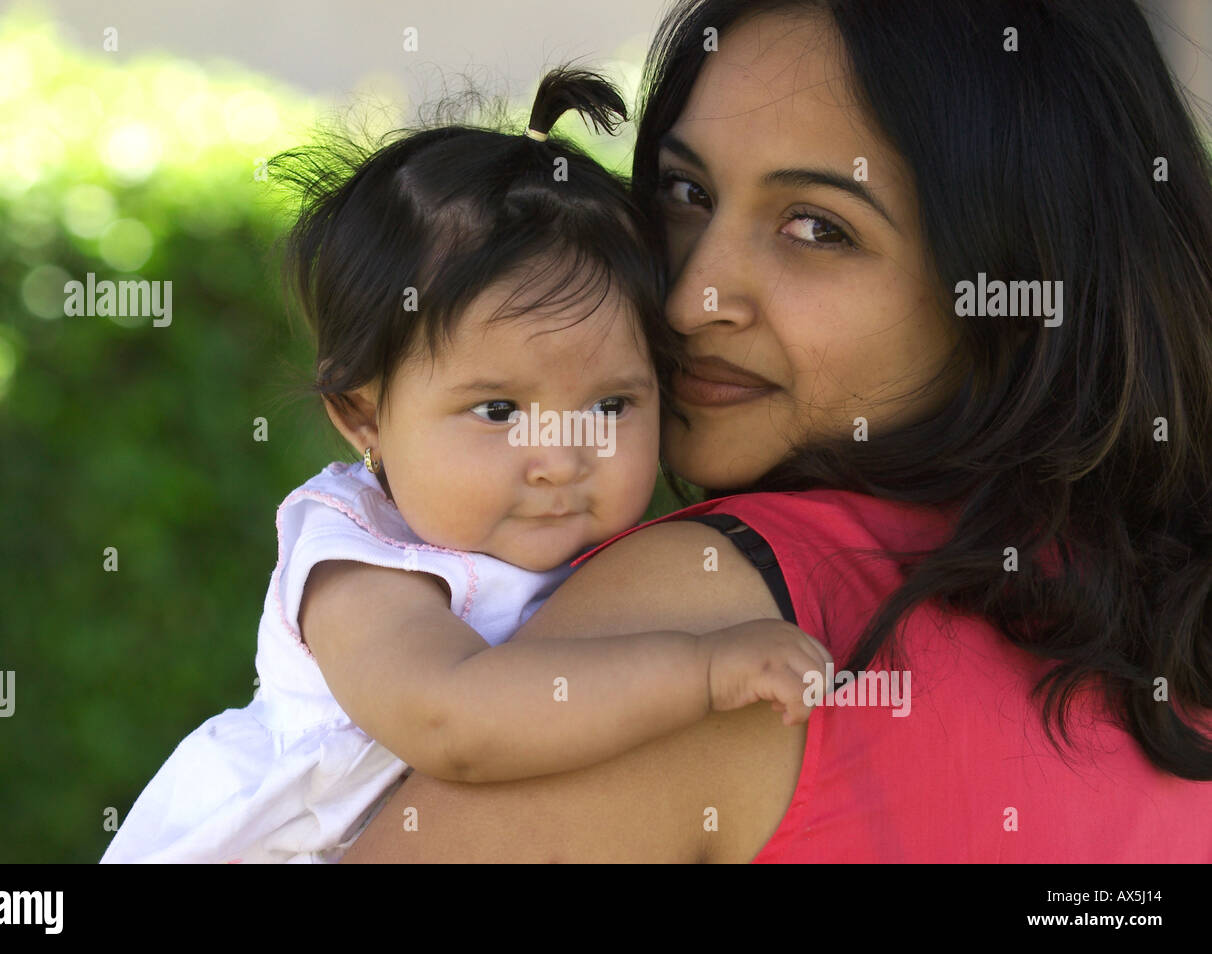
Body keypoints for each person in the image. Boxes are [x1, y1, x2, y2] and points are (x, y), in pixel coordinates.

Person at [344, 0, 1212, 863]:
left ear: (1018, 283)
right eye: (686, 193)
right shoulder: (1169, 635)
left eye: (817, 229)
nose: (690, 303)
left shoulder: (709, 610)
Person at [100, 68, 832, 864]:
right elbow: (456, 724)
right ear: (362, 414)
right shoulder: (357, 561)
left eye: (609, 407)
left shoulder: (637, 561)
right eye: (498, 412)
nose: (558, 460)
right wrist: (702, 674)